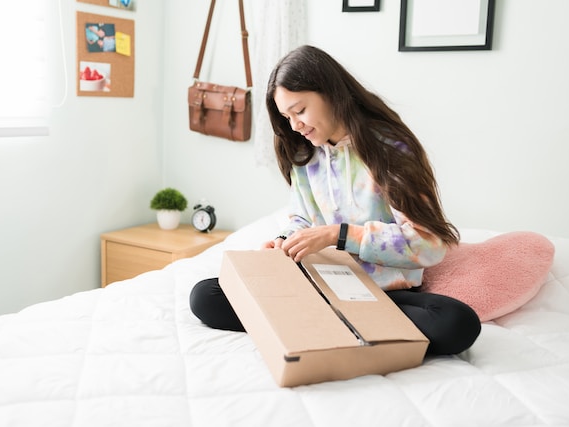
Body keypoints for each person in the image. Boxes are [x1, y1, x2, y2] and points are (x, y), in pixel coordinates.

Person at [190, 45, 481, 355]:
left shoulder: (391, 150)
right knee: (206, 295)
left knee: (456, 322)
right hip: (318, 287)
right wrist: (284, 243)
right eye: (287, 116)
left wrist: (339, 235)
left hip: (382, 295)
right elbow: (301, 221)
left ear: (330, 93)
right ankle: (355, 329)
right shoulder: (304, 154)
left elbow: (428, 243)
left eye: (300, 111)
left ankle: (324, 326)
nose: (295, 126)